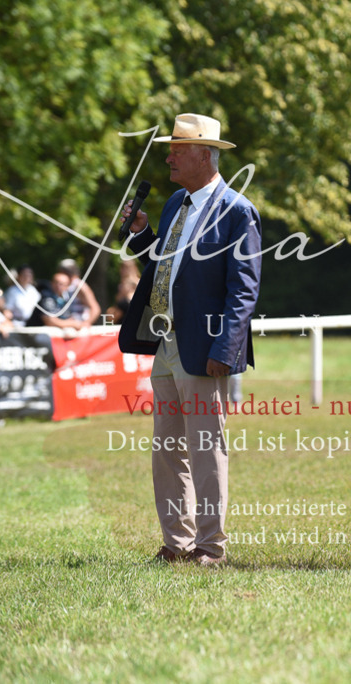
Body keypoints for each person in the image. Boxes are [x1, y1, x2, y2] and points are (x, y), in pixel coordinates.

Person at [118, 113, 262, 567]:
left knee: (206, 449)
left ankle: (211, 548)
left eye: (178, 150)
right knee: (167, 451)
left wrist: (226, 347)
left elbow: (245, 289)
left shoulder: (238, 210)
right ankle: (176, 544)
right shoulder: (175, 202)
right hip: (166, 343)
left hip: (205, 348)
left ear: (205, 155)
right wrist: (143, 235)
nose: (169, 156)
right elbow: (165, 269)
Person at [57, 259, 102, 325]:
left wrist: (86, 324)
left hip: (79, 324)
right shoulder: (63, 286)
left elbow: (95, 309)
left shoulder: (80, 286)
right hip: (68, 323)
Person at [104, 259, 140, 325]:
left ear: (134, 268)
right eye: (122, 268)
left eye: (126, 267)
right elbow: (118, 303)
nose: (123, 271)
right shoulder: (121, 285)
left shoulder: (138, 283)